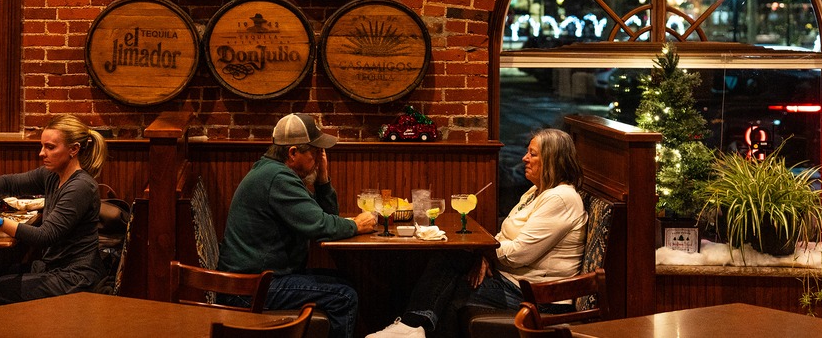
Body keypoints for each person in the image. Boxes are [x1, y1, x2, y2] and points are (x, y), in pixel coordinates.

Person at [367, 128, 587, 338]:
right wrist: (484, 255)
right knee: (449, 258)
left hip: (539, 296)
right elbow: (502, 237)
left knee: (451, 288)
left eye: (533, 154)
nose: (524, 158)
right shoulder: (535, 192)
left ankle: (411, 327)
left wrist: (487, 254)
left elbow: (517, 253)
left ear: (551, 160)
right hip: (513, 281)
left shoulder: (561, 198)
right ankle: (411, 328)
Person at [217, 113, 378, 338]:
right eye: (315, 151)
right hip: (251, 289)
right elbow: (320, 226)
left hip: (258, 281)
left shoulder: (276, 173)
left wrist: (322, 179)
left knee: (347, 280)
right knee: (344, 296)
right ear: (293, 153)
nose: (320, 156)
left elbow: (324, 218)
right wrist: (357, 225)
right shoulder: (278, 179)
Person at [0, 114, 107, 303]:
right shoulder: (53, 175)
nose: (41, 153)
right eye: (42, 146)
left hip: (76, 277)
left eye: (50, 147)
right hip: (55, 268)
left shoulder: (80, 187)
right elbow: (8, 182)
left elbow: (44, 236)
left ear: (74, 149)